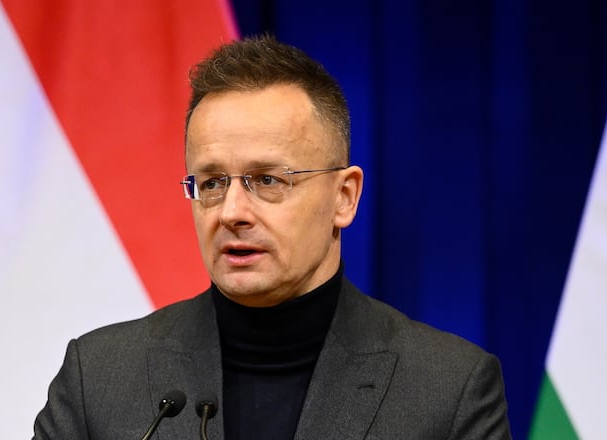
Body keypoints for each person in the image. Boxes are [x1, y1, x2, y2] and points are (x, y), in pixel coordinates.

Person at [33, 35, 511, 439]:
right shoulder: (98, 380)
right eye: (213, 183)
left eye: (268, 180)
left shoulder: (448, 389)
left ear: (344, 197)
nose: (232, 213)